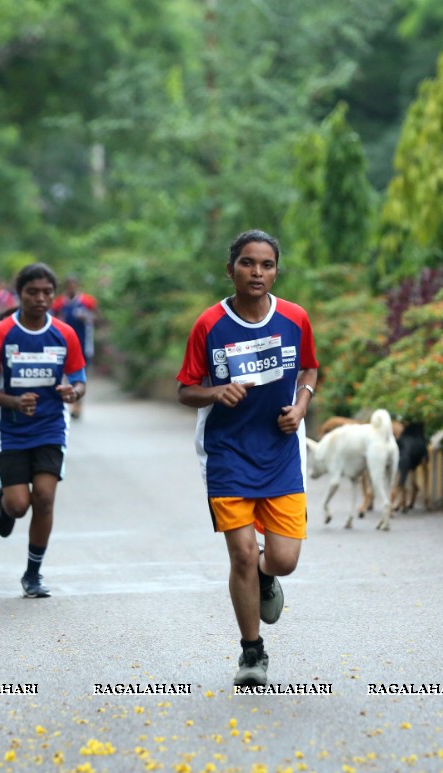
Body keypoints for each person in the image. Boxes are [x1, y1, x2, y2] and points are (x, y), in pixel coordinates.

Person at [176, 230, 318, 687]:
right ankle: (252, 653)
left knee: (283, 559)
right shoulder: (209, 325)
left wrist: (300, 406)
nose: (257, 272)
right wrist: (216, 391)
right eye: (248, 263)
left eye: (267, 264)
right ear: (231, 268)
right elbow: (185, 390)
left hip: (280, 453)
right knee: (240, 554)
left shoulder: (295, 318)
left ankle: (265, 576)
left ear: (276, 270)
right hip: (228, 454)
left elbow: (309, 368)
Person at [0, 263, 86, 599]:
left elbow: (79, 381)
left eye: (47, 292)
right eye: (32, 292)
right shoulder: (1, 334)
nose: (40, 298)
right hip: (10, 432)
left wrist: (73, 392)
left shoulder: (65, 334)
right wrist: (12, 401)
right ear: (19, 293)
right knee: (19, 505)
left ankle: (33, 574)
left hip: (51, 428)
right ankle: (3, 503)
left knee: (45, 498)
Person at [51, 275, 98, 419]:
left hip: (83, 343)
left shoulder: (87, 301)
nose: (72, 287)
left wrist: (87, 318)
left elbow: (98, 318)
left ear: (77, 285)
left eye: (74, 284)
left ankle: (78, 405)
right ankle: (69, 402)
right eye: (69, 284)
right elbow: (51, 318)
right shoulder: (59, 303)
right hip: (63, 343)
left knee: (80, 375)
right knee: (65, 374)